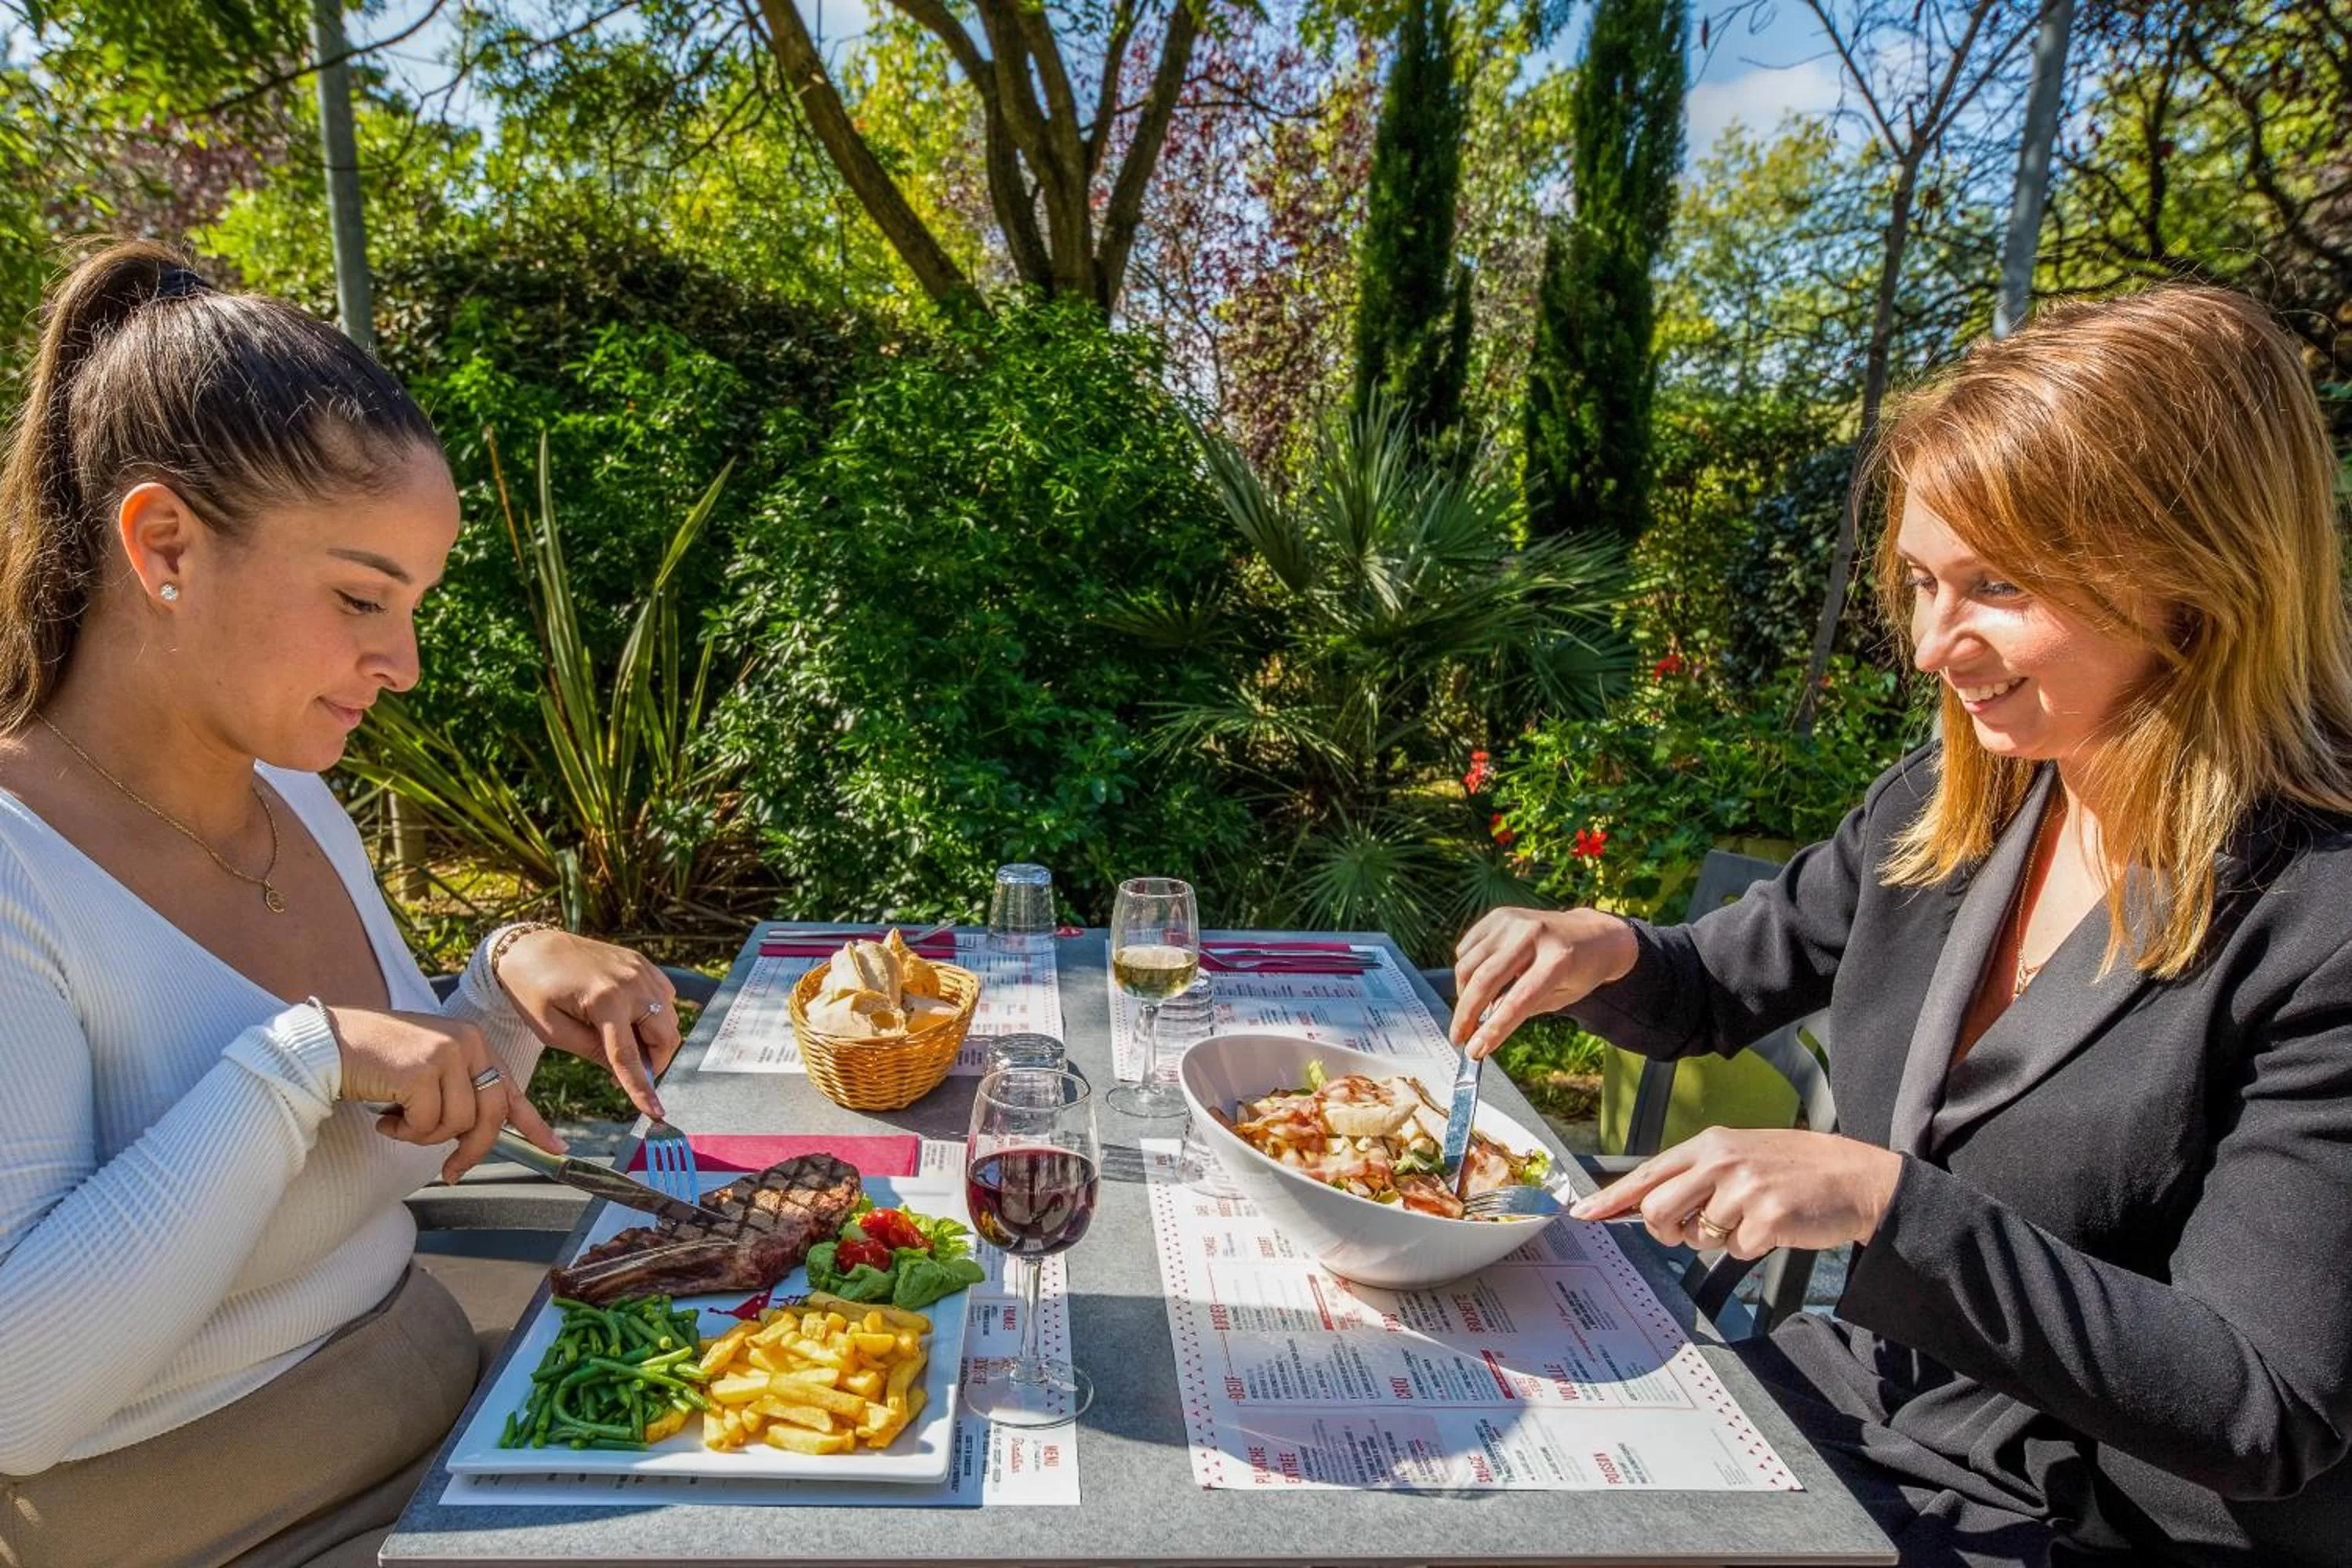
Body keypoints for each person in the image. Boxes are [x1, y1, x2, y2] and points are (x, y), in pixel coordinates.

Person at [1453, 286, 2352, 1566]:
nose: (1932, 646)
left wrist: (1886, 1202)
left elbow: (2261, 1403)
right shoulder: (1952, 802)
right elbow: (1712, 987)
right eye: (1924, 582)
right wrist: (1601, 951)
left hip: (2087, 1523)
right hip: (1861, 1415)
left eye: (1997, 586)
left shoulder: (2319, 917)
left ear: (2196, 579)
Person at [0, 243, 689, 1568]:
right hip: (235, 1526)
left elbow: (380, 1131)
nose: (405, 663)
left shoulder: (300, 799)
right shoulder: (16, 869)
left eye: (412, 605)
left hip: (462, 1424)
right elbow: (18, 1397)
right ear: (163, 545)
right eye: (363, 597)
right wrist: (299, 1057)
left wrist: (504, 987)